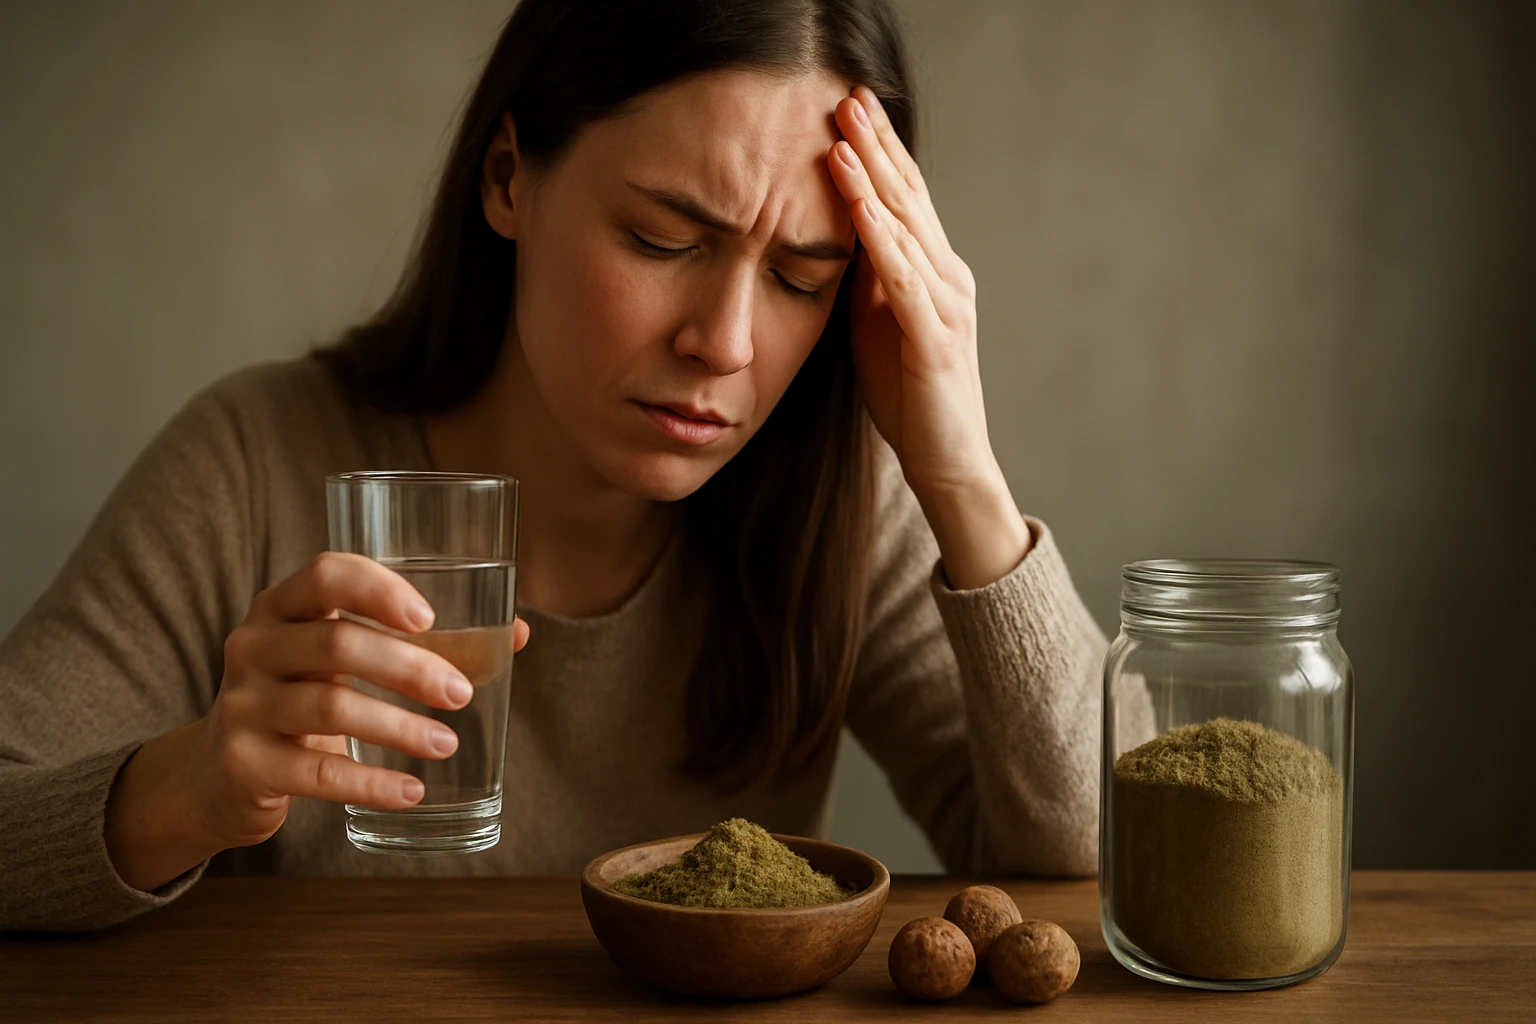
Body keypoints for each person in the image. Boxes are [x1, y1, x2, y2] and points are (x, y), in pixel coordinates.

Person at [0, 0, 1129, 932]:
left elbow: (1092, 848)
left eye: (801, 277)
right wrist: (192, 786)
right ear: (508, 178)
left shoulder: (839, 502)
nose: (725, 343)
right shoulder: (257, 463)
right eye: (665, 240)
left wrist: (962, 475)